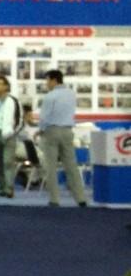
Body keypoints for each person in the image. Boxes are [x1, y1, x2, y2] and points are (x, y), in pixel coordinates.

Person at [34, 70, 88, 208]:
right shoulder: (71, 94)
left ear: (54, 80)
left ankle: (54, 199)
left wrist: (40, 130)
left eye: (47, 80)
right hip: (67, 131)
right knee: (71, 166)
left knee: (50, 167)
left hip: (51, 131)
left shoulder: (50, 96)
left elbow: (44, 117)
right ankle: (81, 198)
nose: (46, 84)